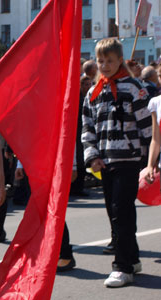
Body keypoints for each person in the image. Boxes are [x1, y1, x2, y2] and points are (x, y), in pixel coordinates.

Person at [82, 38, 151, 287]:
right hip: (105, 161)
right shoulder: (93, 92)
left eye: (110, 60)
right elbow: (88, 128)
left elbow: (147, 126)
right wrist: (91, 156)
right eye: (101, 61)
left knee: (121, 212)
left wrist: (151, 161)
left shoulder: (133, 87)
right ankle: (132, 259)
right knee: (115, 213)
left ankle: (121, 267)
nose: (105, 65)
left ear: (120, 60)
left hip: (130, 160)